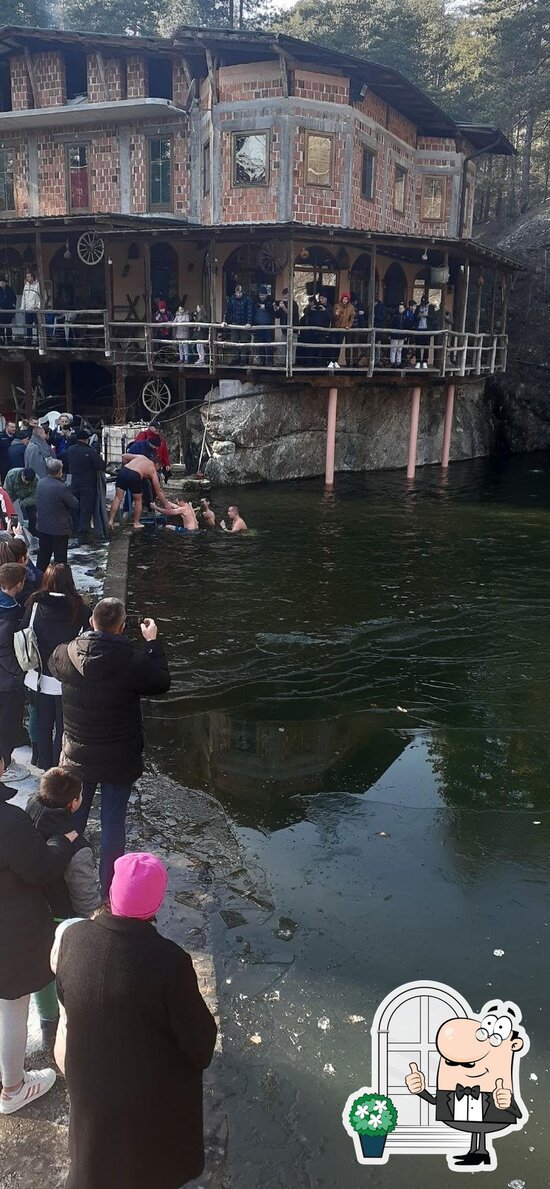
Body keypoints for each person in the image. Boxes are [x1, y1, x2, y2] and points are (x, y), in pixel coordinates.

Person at [53, 851, 217, 1189]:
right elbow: (200, 1047)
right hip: (144, 1107)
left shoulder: (73, 939)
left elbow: (66, 1001)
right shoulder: (170, 961)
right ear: (155, 906)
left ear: (112, 893)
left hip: (88, 1089)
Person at [49, 598, 171, 895]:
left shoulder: (65, 654)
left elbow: (54, 665)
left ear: (92, 622)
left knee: (73, 819)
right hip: (119, 759)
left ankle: (64, 880)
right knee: (113, 825)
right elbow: (161, 683)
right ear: (122, 626)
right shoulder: (134, 661)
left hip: (78, 756)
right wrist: (152, 643)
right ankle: (108, 893)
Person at [0, 754, 78, 1113]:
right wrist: (63, 841)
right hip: (10, 928)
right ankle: (13, 1089)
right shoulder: (10, 821)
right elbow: (41, 868)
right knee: (12, 1005)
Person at [21, 564, 90, 770]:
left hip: (38, 676)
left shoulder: (34, 604)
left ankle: (42, 764)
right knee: (63, 727)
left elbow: (23, 631)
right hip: (66, 679)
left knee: (42, 722)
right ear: (70, 582)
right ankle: (58, 764)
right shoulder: (81, 610)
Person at [27, 767, 99, 922]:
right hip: (60, 919)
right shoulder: (78, 848)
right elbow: (86, 903)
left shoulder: (27, 813)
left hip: (29, 908)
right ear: (73, 803)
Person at [0, 562, 26, 778]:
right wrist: (18, 671)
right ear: (19, 585)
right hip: (8, 678)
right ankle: (5, 765)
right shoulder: (13, 612)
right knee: (8, 723)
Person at [108, 452, 173, 531]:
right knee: (138, 500)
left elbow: (124, 456)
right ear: (157, 465)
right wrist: (166, 504)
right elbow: (158, 490)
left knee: (117, 498)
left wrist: (127, 465)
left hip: (123, 471)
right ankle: (136, 523)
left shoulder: (141, 457)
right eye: (158, 468)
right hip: (135, 475)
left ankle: (111, 520)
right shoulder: (152, 470)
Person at [35, 458, 78, 571]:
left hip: (43, 526)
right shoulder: (62, 487)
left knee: (43, 554)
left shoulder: (40, 483)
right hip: (59, 528)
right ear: (59, 471)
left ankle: (39, 578)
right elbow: (74, 504)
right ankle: (59, 581)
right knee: (60, 558)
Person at [66, 427, 106, 545]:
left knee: (75, 507)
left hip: (75, 483)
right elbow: (101, 465)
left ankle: (75, 529)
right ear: (87, 439)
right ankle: (83, 534)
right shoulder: (90, 451)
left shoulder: (71, 450)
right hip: (88, 485)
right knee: (86, 509)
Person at [223, 284, 253, 364]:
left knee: (244, 342)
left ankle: (243, 359)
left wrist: (249, 322)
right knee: (234, 342)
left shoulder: (247, 299)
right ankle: (235, 358)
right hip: (234, 323)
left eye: (240, 292)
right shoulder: (231, 299)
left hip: (244, 324)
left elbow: (250, 311)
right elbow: (227, 310)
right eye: (237, 292)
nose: (238, 294)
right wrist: (225, 321)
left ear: (242, 292)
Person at [4, 466, 38, 535]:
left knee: (33, 518)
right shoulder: (11, 475)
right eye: (25, 480)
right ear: (22, 475)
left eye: (28, 482)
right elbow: (7, 493)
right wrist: (12, 505)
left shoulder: (36, 481)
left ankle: (33, 535)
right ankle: (11, 532)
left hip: (27, 499)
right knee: (11, 517)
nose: (26, 483)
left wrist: (22, 503)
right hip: (13, 497)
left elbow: (35, 497)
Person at [331, 292, 355, 367]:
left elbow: (352, 318)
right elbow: (333, 318)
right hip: (335, 328)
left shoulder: (351, 307)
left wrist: (348, 326)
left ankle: (336, 362)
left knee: (339, 345)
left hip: (343, 329)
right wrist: (336, 315)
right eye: (344, 299)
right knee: (333, 344)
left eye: (346, 299)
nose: (345, 300)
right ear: (341, 299)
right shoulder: (336, 306)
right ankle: (332, 361)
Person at [252, 287, 274, 366]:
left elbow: (272, 309)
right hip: (259, 326)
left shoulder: (270, 301)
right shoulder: (255, 302)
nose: (262, 297)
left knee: (269, 345)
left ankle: (270, 361)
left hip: (268, 326)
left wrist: (264, 307)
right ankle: (262, 361)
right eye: (261, 295)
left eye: (263, 295)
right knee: (261, 344)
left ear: (266, 295)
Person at [20, 270, 41, 346]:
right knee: (28, 326)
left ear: (32, 277)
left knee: (38, 326)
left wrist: (38, 307)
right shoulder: (26, 286)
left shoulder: (38, 285)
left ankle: (40, 341)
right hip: (28, 310)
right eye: (26, 277)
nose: (27, 278)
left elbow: (41, 298)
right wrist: (22, 308)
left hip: (35, 310)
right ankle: (28, 341)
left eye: (28, 276)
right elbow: (24, 297)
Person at [415, 294, 431, 368]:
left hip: (427, 329)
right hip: (418, 329)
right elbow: (414, 318)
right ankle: (418, 361)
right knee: (418, 346)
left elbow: (434, 319)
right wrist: (418, 316)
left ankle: (425, 361)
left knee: (426, 347)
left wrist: (427, 316)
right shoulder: (418, 308)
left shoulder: (431, 309)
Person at [389, 301, 408, 366]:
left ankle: (398, 362)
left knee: (399, 349)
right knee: (393, 349)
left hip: (402, 335)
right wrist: (390, 334)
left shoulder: (405, 317)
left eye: (402, 308)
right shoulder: (394, 316)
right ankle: (392, 362)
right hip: (394, 335)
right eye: (399, 308)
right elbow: (390, 326)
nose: (400, 310)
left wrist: (406, 335)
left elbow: (406, 327)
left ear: (404, 309)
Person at [0, 276, 16, 346]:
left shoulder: (10, 290)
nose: (1, 283)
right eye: (0, 282)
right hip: (1, 311)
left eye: (3, 282)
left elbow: (14, 298)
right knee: (1, 327)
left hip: (9, 310)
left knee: (9, 326)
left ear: (6, 282)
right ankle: (1, 341)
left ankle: (9, 340)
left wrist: (13, 306)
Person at [373, 297, 385, 366]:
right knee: (375, 346)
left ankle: (376, 361)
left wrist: (375, 316)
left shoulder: (380, 308)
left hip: (378, 329)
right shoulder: (372, 307)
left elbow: (383, 318)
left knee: (377, 346)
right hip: (375, 329)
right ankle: (374, 361)